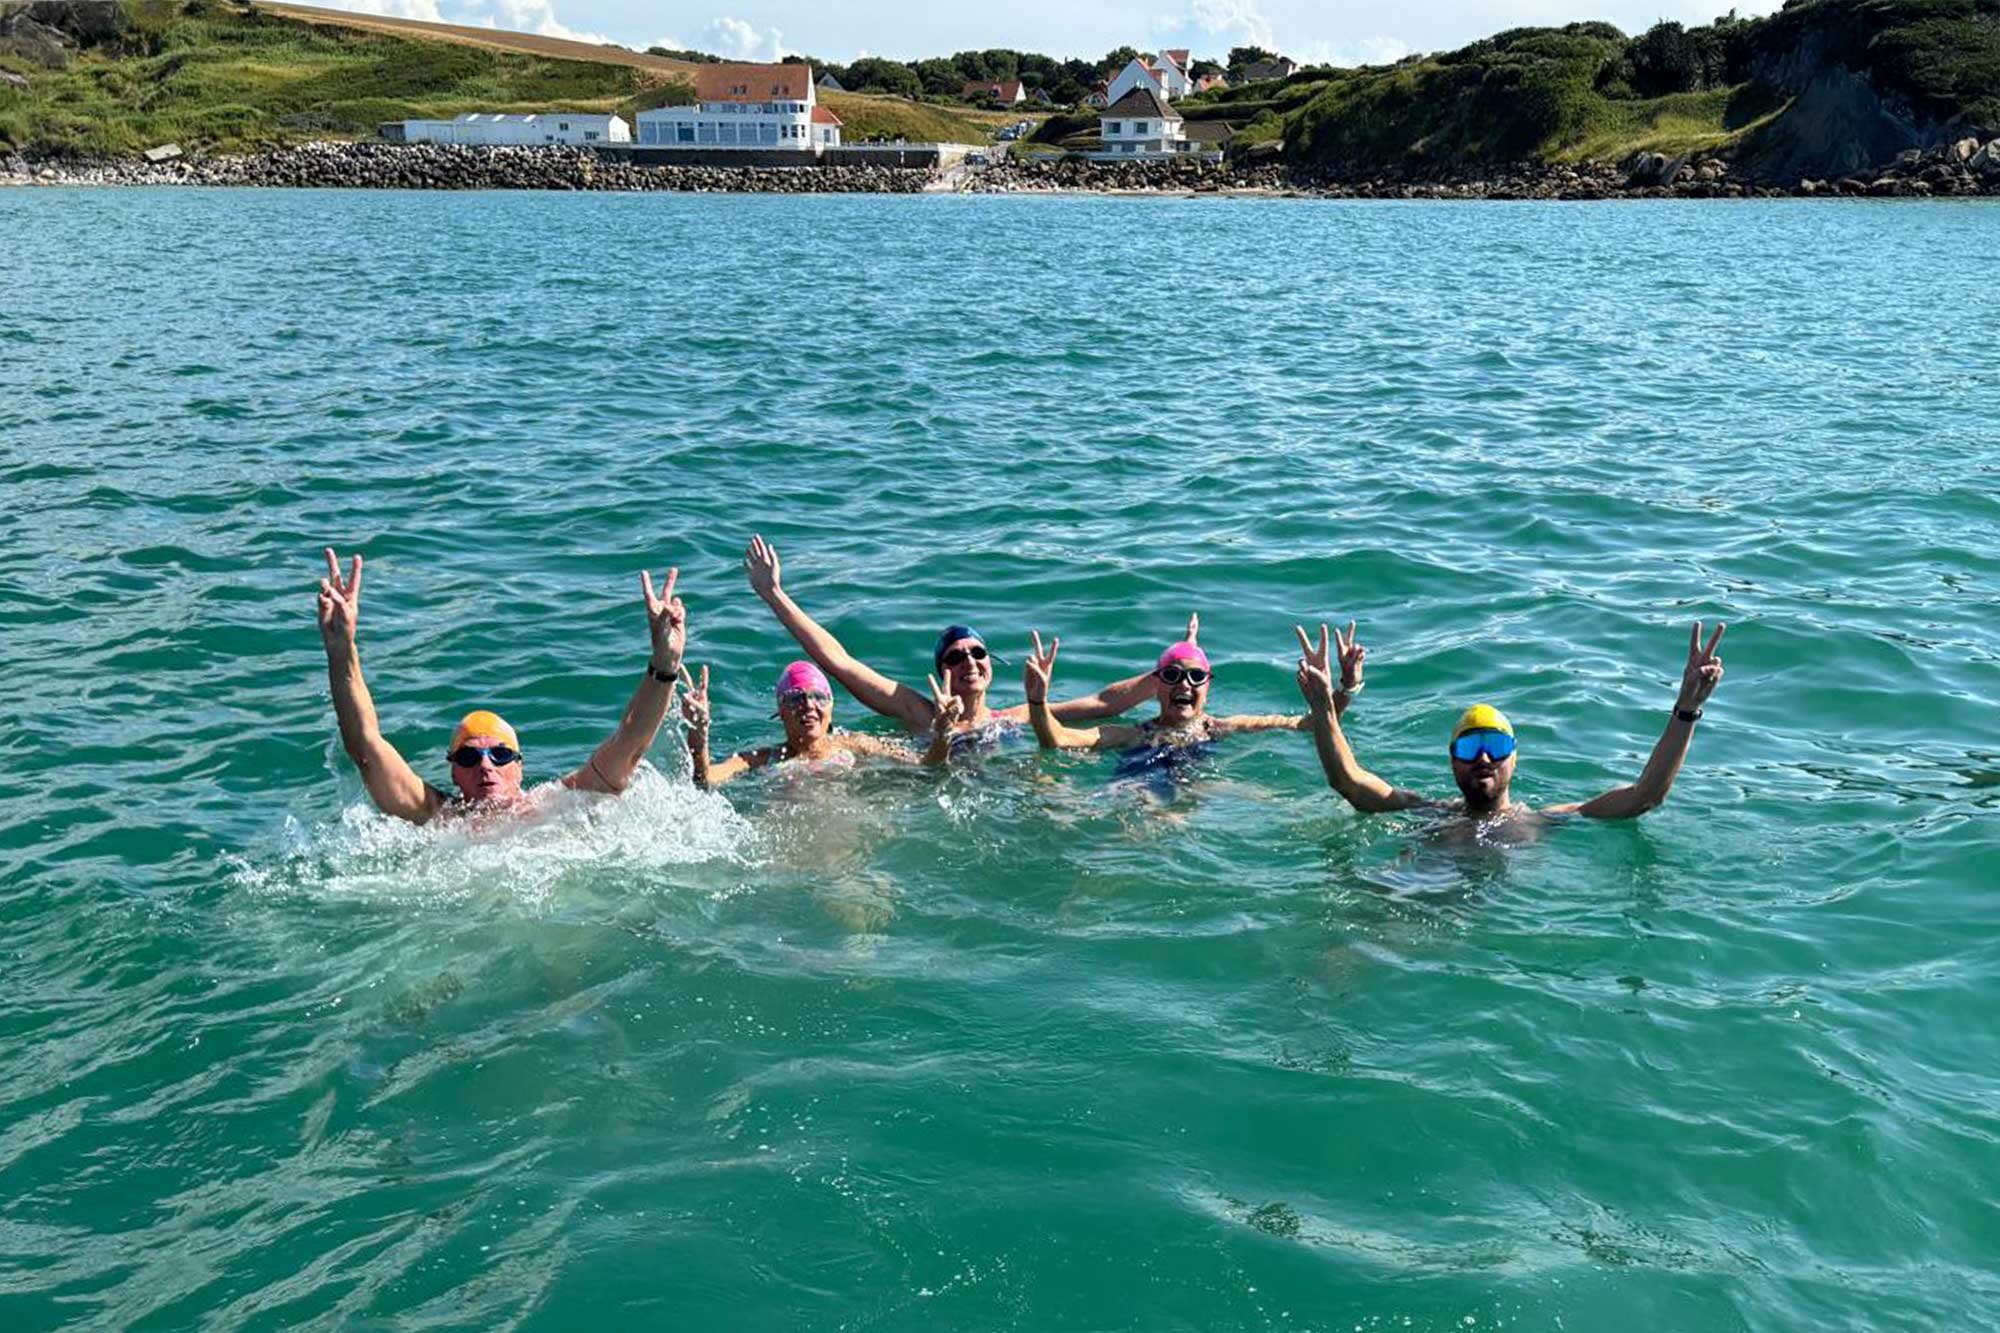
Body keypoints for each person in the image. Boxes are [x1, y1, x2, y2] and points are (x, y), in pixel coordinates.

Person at [315, 547, 687, 825]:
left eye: (500, 755)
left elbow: (630, 743)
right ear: (453, 772)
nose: (485, 766)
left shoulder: (558, 803)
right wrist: (341, 649)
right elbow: (365, 746)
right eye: (468, 757)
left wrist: (665, 663)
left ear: (519, 767)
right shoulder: (436, 817)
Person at [743, 535, 1173, 753]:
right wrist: (775, 595)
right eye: (956, 656)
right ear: (941, 671)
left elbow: (1102, 704)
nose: (969, 661)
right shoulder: (918, 713)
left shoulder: (1019, 715)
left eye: (977, 653)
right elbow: (840, 663)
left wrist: (1176, 672)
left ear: (991, 664)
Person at [1293, 619, 1727, 820]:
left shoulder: (1544, 822)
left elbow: (1645, 796)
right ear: (1452, 761)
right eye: (1470, 746)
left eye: (1495, 746)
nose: (1483, 757)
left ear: (1514, 758)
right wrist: (1325, 708)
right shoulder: (1424, 811)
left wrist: (1686, 708)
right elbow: (1348, 782)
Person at [1020, 627, 1365, 777]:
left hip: (1190, 800)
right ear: (1157, 686)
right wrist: (1037, 702)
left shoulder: (1223, 727)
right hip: (1132, 789)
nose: (1184, 683)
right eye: (1172, 675)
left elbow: (1309, 725)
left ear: (1207, 687)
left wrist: (1345, 687)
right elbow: (1058, 739)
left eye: (1196, 676)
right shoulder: (1131, 734)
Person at [679, 659, 936, 788]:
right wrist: (698, 733)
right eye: (795, 698)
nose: (809, 705)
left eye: (819, 698)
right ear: (781, 711)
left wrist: (943, 734)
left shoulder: (857, 745)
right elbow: (705, 779)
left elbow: (926, 764)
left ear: (831, 709)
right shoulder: (760, 759)